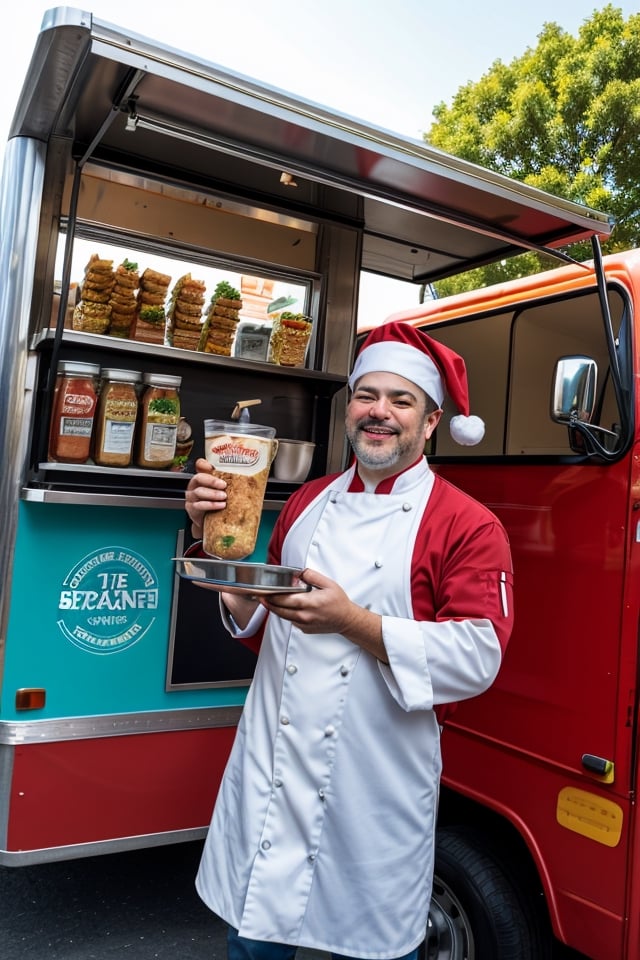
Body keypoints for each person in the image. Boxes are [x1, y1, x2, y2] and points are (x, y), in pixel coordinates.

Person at [183, 320, 514, 960]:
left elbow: (479, 655)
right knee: (254, 943)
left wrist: (353, 622)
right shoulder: (307, 500)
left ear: (430, 422)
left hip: (374, 782)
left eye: (401, 400)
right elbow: (258, 612)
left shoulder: (469, 524)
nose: (379, 413)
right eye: (367, 396)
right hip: (272, 771)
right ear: (350, 410)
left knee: (373, 946)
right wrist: (213, 537)